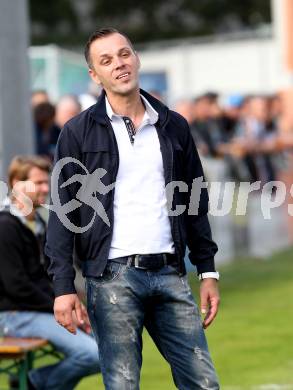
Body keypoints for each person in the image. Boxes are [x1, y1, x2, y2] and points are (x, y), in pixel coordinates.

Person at [45, 28, 220, 389]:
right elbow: (63, 214)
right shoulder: (77, 133)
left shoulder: (174, 126)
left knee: (203, 383)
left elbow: (194, 202)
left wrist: (207, 271)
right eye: (106, 60)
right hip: (112, 279)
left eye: (124, 54)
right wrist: (63, 287)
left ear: (136, 58)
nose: (119, 64)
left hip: (171, 273)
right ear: (95, 75)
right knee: (123, 386)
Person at [0, 156, 100, 390]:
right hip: (13, 315)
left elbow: (48, 276)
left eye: (48, 182)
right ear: (16, 183)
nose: (45, 189)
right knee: (93, 355)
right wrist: (59, 308)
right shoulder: (5, 227)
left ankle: (34, 383)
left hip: (36, 311)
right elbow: (17, 286)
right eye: (38, 182)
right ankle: (33, 383)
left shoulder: (37, 223)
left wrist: (71, 303)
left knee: (107, 346)